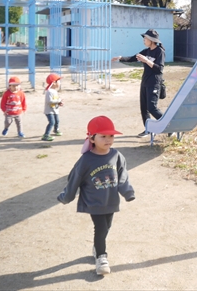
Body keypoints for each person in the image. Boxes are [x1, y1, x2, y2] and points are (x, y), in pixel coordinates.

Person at [57, 115, 135, 276]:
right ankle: (101, 257)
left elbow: (123, 176)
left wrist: (128, 192)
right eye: (103, 136)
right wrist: (66, 196)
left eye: (111, 136)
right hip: (94, 202)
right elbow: (74, 179)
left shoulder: (116, 155)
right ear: (92, 138)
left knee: (107, 227)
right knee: (101, 228)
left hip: (110, 200)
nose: (108, 140)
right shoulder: (86, 160)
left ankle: (97, 247)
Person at [112, 29, 165, 137]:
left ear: (151, 40)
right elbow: (133, 58)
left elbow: (159, 69)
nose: (144, 40)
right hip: (145, 82)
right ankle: (148, 130)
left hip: (154, 83)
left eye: (145, 38)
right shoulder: (146, 51)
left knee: (152, 108)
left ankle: (168, 125)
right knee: (144, 108)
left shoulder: (159, 51)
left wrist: (146, 61)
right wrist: (121, 58)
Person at [41, 73, 63, 141]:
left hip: (55, 110)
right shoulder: (49, 91)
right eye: (58, 81)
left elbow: (55, 100)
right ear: (54, 83)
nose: (60, 83)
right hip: (49, 111)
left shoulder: (54, 91)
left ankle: (56, 130)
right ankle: (46, 135)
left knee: (57, 121)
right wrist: (58, 101)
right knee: (52, 122)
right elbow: (49, 101)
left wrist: (59, 103)